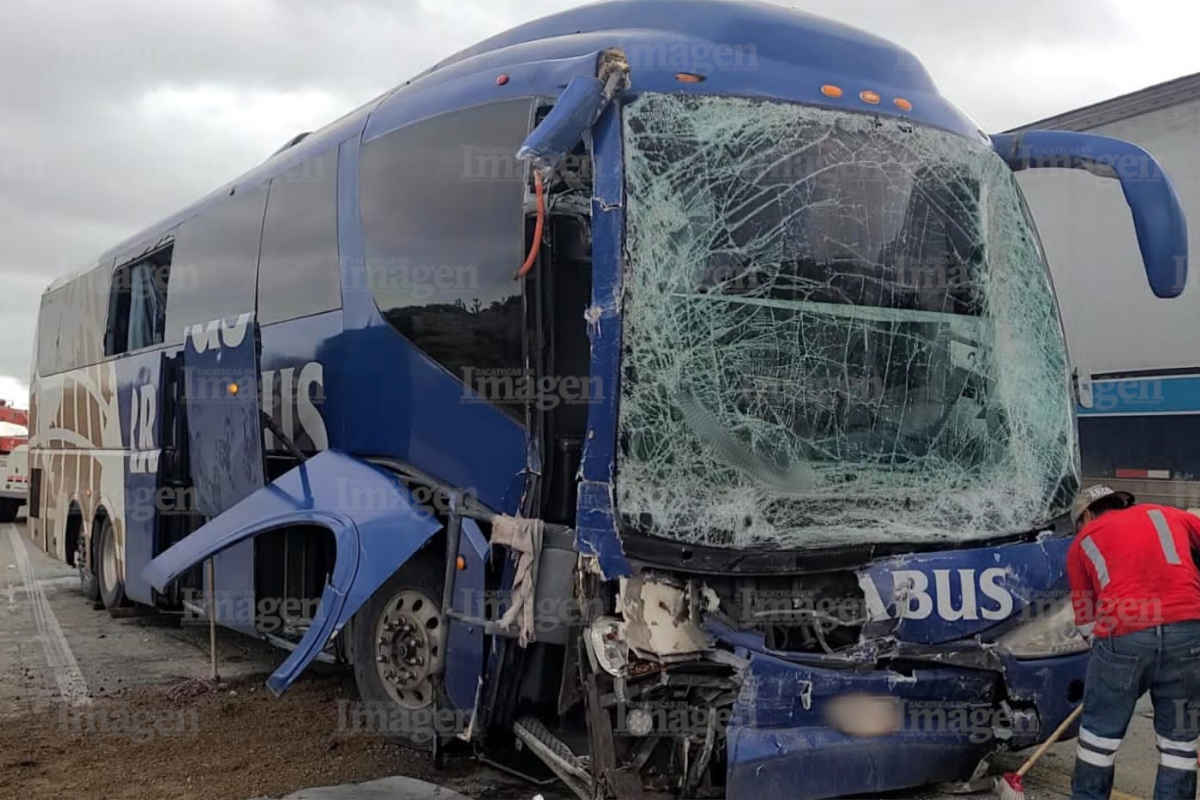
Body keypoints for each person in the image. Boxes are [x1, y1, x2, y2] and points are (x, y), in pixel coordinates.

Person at [1067, 485, 1200, 800]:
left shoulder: (1081, 543)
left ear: (1086, 515)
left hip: (1124, 634)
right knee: (1179, 742)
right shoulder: (1170, 515)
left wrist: (1105, 664)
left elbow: (1086, 620)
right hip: (1189, 631)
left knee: (1098, 738)